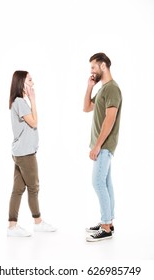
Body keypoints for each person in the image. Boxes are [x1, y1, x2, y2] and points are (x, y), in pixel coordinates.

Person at [7, 70, 56, 237]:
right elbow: (34, 123)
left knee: (18, 189)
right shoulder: (20, 102)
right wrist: (33, 99)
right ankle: (38, 222)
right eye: (30, 79)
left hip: (20, 152)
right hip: (25, 153)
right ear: (22, 82)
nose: (33, 83)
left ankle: (12, 227)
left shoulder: (19, 102)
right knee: (33, 188)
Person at [83, 53, 122, 242]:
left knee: (97, 182)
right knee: (106, 183)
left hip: (104, 145)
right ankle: (109, 222)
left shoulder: (112, 89)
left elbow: (110, 118)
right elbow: (87, 107)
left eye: (93, 67)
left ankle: (105, 226)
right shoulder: (103, 88)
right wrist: (89, 87)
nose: (91, 71)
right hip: (102, 146)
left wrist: (97, 146)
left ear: (103, 66)